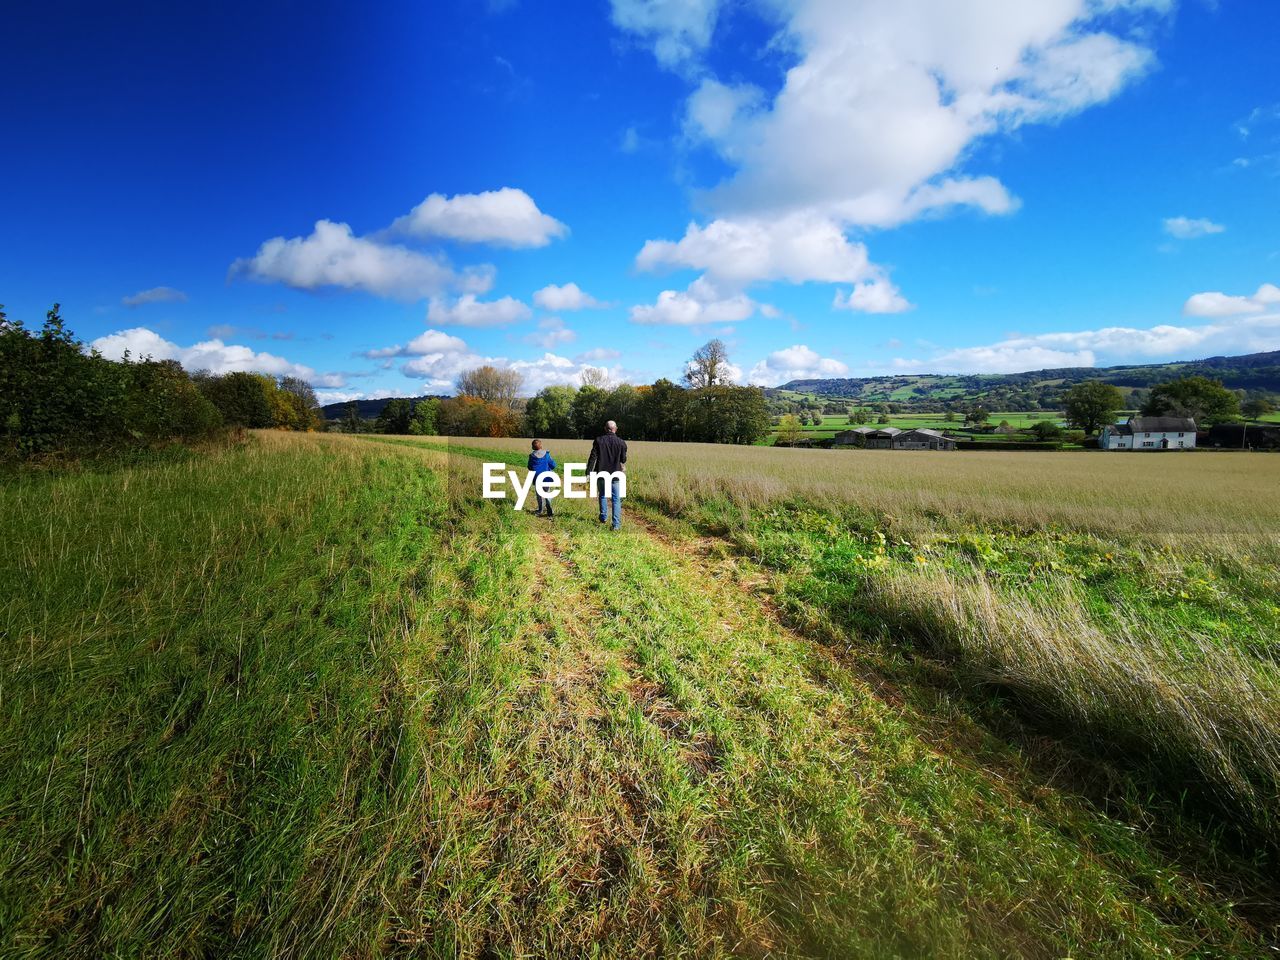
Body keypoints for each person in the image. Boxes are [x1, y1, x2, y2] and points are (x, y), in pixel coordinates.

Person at [586, 420, 626, 530]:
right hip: (616, 474)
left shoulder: (598, 440)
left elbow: (593, 457)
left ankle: (603, 517)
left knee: (602, 494)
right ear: (615, 429)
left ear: (605, 428)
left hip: (601, 472)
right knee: (616, 499)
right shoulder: (621, 442)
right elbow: (623, 459)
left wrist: (588, 472)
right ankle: (616, 525)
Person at [527, 439, 557, 517]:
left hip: (537, 477)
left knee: (539, 494)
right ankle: (549, 509)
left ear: (532, 447)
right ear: (541, 446)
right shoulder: (547, 455)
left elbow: (529, 467)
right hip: (546, 477)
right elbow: (553, 465)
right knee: (547, 492)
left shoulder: (531, 456)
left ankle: (540, 510)